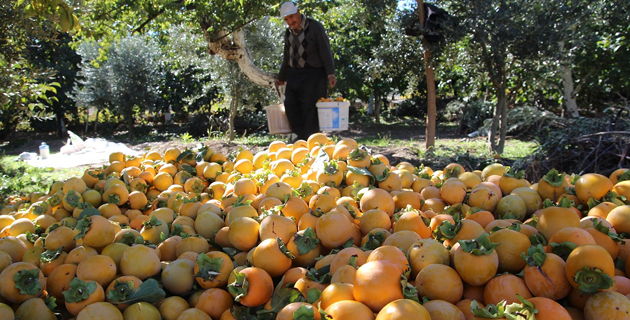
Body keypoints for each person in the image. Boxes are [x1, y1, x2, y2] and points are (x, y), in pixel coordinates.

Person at [276, 1, 337, 141]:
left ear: (298, 12)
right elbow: (287, 56)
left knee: (310, 109)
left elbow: (325, 50)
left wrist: (330, 73)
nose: (290, 21)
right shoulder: (288, 33)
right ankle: (301, 137)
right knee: (290, 105)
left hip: (314, 74)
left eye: (291, 17)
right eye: (286, 19)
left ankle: (311, 141)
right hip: (294, 74)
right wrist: (282, 76)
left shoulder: (314, 27)